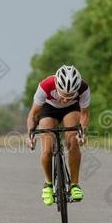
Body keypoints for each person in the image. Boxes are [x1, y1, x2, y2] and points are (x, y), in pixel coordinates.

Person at [26, 65, 90, 205]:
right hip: (49, 109)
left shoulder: (83, 88)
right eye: (63, 95)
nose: (66, 99)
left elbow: (84, 114)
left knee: (72, 141)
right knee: (47, 149)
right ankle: (48, 184)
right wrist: (30, 135)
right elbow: (33, 114)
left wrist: (82, 133)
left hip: (71, 110)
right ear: (57, 86)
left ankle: (74, 185)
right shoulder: (46, 85)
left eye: (70, 95)